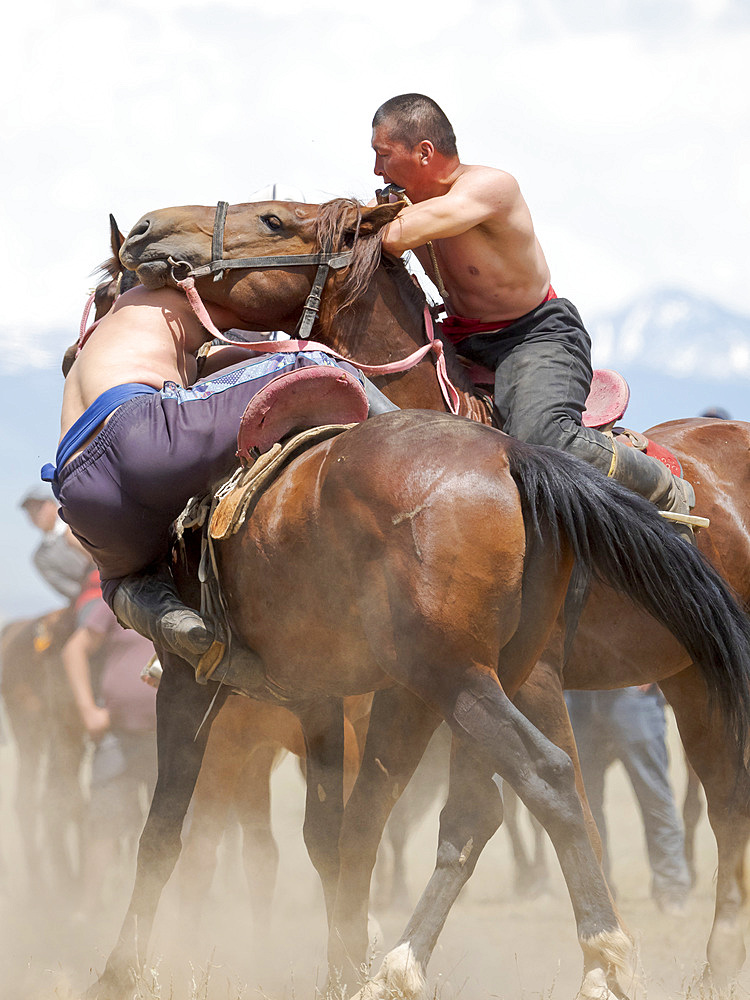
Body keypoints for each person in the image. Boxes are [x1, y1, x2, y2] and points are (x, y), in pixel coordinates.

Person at [369, 93, 695, 517]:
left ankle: (661, 483)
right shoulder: (408, 203)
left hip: (536, 335)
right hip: (460, 335)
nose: (377, 170)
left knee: (542, 436)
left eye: (383, 156)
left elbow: (391, 238)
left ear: (425, 153)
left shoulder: (490, 187)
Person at [42, 284, 393, 674]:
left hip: (78, 490)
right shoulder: (155, 297)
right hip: (142, 434)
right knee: (310, 361)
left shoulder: (102, 346)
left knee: (125, 578)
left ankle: (171, 618)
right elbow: (265, 314)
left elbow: (225, 371)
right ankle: (414, 431)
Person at [61, 595, 157, 916]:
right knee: (103, 820)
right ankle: (87, 909)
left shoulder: (191, 596)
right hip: (118, 735)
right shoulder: (120, 598)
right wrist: (88, 711)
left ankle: (174, 914)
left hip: (171, 737)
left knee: (176, 827)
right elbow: (74, 649)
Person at [565, 686, 691, 915]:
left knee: (654, 797)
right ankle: (598, 891)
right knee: (585, 804)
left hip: (632, 693)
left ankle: (671, 890)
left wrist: (652, 669)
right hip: (579, 694)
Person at [19, 484, 93, 602]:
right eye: (30, 511)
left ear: (52, 504)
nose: (35, 514)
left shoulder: (80, 521)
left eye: (39, 507)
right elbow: (70, 590)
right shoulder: (41, 557)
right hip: (91, 595)